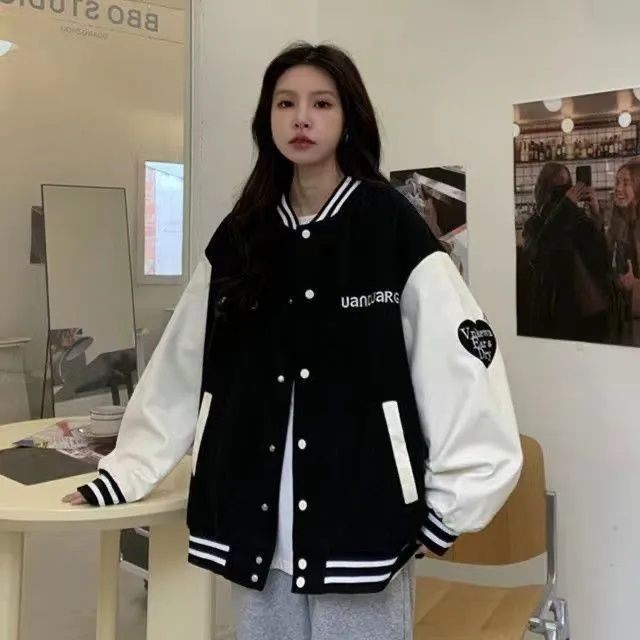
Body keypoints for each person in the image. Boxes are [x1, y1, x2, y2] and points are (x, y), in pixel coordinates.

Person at [63, 42, 522, 639]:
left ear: (348, 117)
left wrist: (453, 504)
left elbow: (460, 364)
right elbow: (182, 364)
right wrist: (124, 471)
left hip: (362, 522)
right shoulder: (242, 236)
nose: (301, 118)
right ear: (268, 119)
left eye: (321, 103)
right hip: (255, 525)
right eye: (286, 103)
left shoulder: (391, 228)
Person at [522, 161, 618, 344]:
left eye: (565, 187)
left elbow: (602, 259)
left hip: (590, 311)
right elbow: (536, 255)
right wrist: (565, 208)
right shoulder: (535, 223)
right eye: (556, 188)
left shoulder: (578, 218)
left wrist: (596, 217)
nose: (561, 195)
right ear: (544, 190)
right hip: (555, 312)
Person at [607, 159, 640, 345]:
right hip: (624, 318)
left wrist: (634, 286)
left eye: (626, 182)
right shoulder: (620, 220)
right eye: (617, 182)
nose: (618, 188)